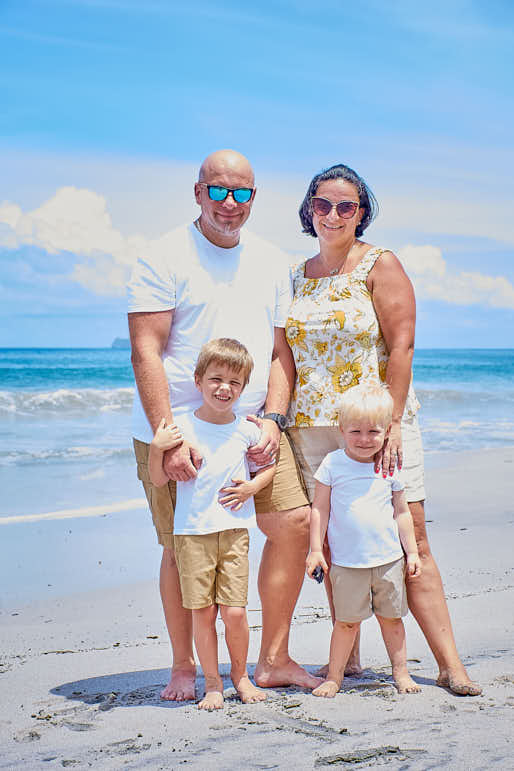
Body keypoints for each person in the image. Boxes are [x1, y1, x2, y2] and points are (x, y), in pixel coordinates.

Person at [285, 162, 481, 696]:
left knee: (409, 536)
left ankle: (448, 664)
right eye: (322, 204)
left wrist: (392, 422)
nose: (332, 214)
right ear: (309, 209)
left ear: (361, 213)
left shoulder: (380, 263)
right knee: (335, 538)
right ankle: (347, 661)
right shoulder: (296, 274)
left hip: (377, 427)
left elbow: (402, 345)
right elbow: (285, 354)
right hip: (316, 428)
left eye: (345, 206)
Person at [127, 149, 316, 702]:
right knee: (180, 546)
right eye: (218, 191)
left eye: (242, 194)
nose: (229, 204)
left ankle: (274, 658)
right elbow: (147, 350)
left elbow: (282, 353)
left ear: (254, 199)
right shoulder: (161, 257)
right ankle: (185, 666)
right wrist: (170, 436)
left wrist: (276, 421)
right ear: (197, 193)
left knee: (295, 523)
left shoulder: (273, 261)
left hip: (253, 431)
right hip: (179, 432)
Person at [148, 339, 274, 709]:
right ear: (198, 380)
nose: (224, 388)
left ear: (243, 388)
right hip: (191, 536)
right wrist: (158, 447)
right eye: (216, 379)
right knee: (202, 613)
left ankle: (241, 677)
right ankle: (214, 684)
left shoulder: (247, 429)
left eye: (234, 383)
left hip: (235, 534)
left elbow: (268, 468)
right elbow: (159, 480)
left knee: (235, 612)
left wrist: (251, 486)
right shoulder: (181, 428)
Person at [306, 383, 422, 697]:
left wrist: (411, 553)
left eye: (373, 431)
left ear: (387, 432)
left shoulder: (390, 467)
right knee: (345, 623)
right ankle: (335, 677)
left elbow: (401, 512)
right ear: (341, 429)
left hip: (388, 562)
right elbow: (320, 509)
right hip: (347, 564)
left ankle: (401, 674)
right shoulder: (333, 464)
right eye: (355, 431)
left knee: (392, 620)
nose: (364, 439)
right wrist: (316, 549)